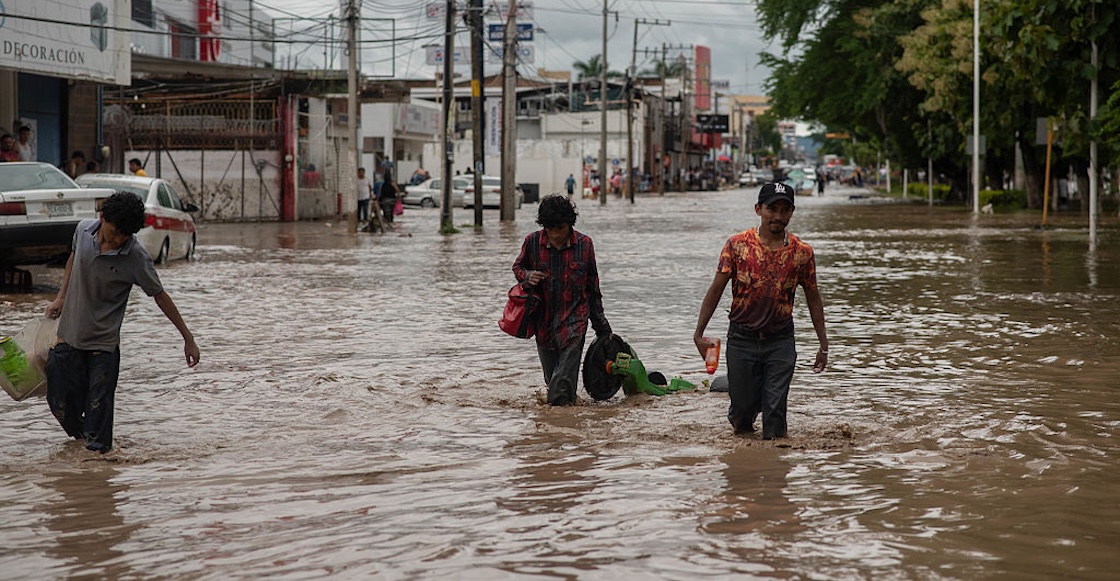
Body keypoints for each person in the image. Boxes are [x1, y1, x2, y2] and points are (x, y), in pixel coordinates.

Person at [44, 192, 200, 453]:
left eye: (124, 236)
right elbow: (73, 257)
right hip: (68, 338)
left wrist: (188, 338)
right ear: (102, 218)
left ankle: (98, 466)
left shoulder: (136, 257)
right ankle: (83, 456)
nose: (118, 240)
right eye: (115, 232)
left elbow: (160, 296)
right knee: (59, 403)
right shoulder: (83, 231)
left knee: (98, 423)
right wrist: (61, 297)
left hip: (103, 349)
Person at [693, 182, 829, 440]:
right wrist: (699, 333)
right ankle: (744, 446)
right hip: (742, 339)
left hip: (780, 341)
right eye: (772, 209)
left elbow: (813, 299)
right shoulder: (737, 246)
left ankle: (776, 460)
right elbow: (716, 289)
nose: (778, 216)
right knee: (742, 417)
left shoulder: (802, 253)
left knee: (775, 415)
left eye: (784, 210)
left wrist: (823, 346)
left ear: (792, 212)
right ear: (758, 209)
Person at [512, 194, 612, 406]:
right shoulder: (532, 242)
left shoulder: (585, 245)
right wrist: (527, 276)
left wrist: (602, 327)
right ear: (544, 227)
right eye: (550, 229)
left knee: (561, 383)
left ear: (570, 225)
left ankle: (561, 420)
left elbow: (592, 288)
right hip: (543, 322)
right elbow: (518, 267)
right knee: (554, 382)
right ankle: (566, 415)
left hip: (575, 320)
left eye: (560, 228)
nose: (556, 235)